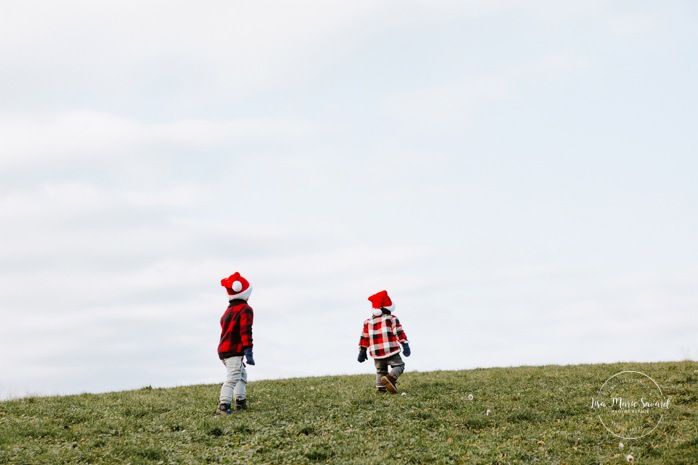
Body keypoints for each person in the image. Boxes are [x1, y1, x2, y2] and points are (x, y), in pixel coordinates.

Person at [216, 272, 255, 415]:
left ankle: (240, 401)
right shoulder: (245, 309)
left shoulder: (228, 311)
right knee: (233, 377)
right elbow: (246, 331)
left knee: (241, 375)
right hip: (234, 350)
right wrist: (248, 352)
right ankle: (223, 405)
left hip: (224, 350)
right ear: (245, 294)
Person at [357, 290, 411, 393]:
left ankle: (381, 388)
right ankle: (391, 377)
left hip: (376, 353)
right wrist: (405, 345)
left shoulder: (367, 322)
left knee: (380, 370)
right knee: (399, 365)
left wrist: (362, 351)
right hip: (390, 350)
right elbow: (398, 332)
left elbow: (364, 337)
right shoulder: (391, 319)